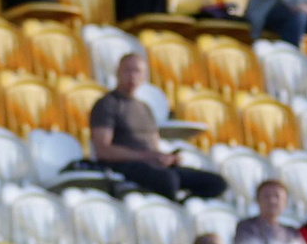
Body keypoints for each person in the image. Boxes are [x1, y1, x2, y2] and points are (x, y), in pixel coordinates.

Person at [82, 50, 227, 200]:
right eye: (127, 70)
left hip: (151, 164)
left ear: (144, 76)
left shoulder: (145, 108)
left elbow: (153, 145)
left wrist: (166, 158)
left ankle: (185, 204)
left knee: (215, 183)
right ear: (117, 72)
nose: (132, 75)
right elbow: (103, 150)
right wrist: (144, 156)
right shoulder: (107, 104)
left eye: (137, 71)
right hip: (124, 164)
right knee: (167, 180)